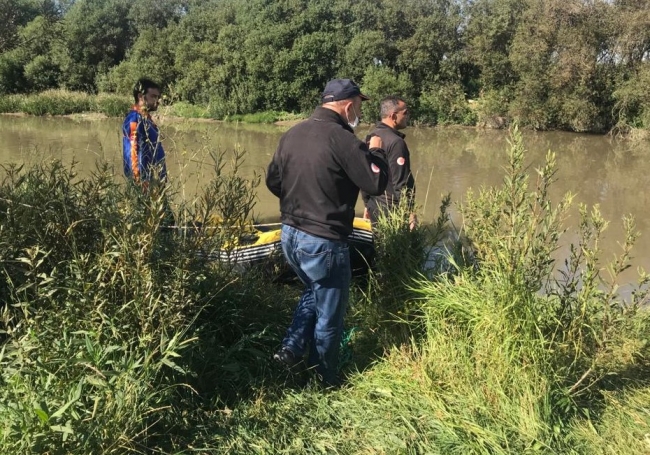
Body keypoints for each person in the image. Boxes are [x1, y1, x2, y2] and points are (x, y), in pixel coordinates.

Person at [266, 78, 389, 387]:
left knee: (313, 289)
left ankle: (292, 348)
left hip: (290, 235)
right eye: (359, 106)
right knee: (330, 317)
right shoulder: (342, 138)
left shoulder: (292, 133)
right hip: (323, 241)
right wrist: (376, 151)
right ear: (347, 105)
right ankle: (324, 381)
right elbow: (375, 183)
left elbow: (273, 182)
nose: (359, 112)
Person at [362, 96, 417, 230]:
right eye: (405, 113)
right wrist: (410, 213)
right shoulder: (396, 142)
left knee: (380, 246)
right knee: (397, 248)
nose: (407, 116)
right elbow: (402, 182)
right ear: (393, 116)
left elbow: (364, 177)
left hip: (374, 206)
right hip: (392, 211)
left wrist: (366, 204)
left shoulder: (370, 137)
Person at [122, 78, 167, 188]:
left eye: (158, 97)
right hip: (144, 184)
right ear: (140, 96)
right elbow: (132, 152)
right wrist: (140, 183)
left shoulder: (146, 119)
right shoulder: (134, 119)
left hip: (155, 182)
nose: (157, 101)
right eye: (153, 96)